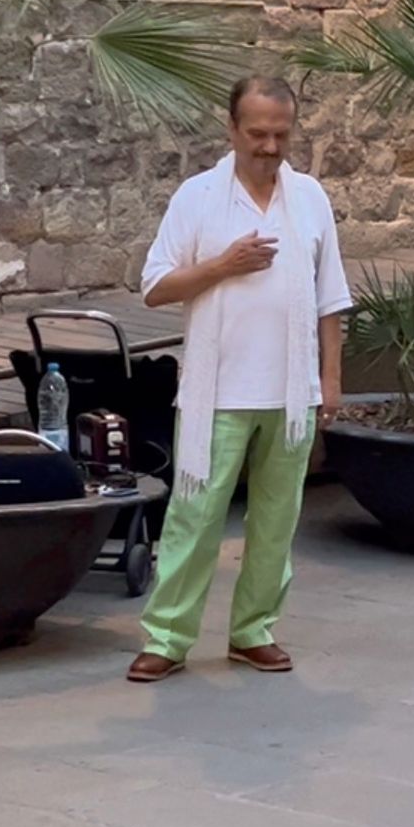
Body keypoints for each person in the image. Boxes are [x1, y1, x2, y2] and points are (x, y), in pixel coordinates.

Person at [126, 77, 351, 682]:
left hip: (291, 395)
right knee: (195, 517)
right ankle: (168, 637)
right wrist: (223, 266)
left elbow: (331, 298)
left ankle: (254, 631)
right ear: (231, 129)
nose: (269, 146)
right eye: (257, 134)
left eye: (281, 134)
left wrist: (330, 379)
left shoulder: (310, 198)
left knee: (277, 520)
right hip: (218, 393)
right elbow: (155, 287)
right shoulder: (198, 197)